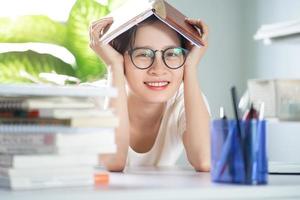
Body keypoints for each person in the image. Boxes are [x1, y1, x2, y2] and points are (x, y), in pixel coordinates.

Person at [89, 10, 210, 172]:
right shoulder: (92, 101)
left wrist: (191, 67)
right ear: (118, 55)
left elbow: (205, 160)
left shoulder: (186, 99)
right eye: (143, 54)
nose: (159, 69)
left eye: (172, 53)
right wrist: (114, 66)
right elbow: (113, 161)